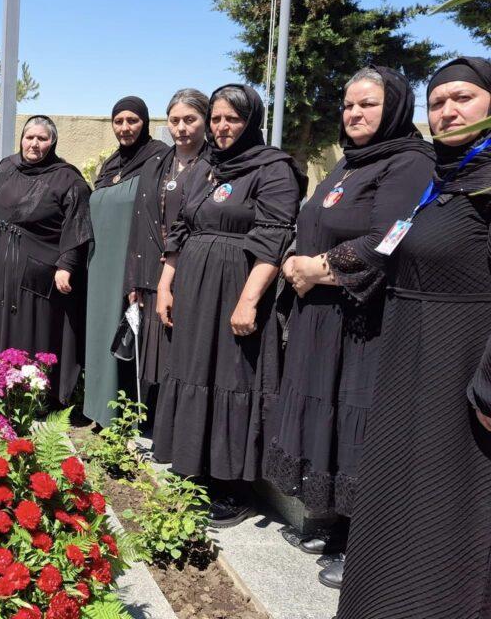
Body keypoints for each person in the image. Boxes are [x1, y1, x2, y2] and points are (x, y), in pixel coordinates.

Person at [264, 67, 434, 589]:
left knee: (360, 425)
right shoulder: (350, 162)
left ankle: (367, 549)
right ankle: (334, 527)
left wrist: (317, 268)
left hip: (365, 321)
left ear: (396, 107)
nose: (354, 114)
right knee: (330, 419)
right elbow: (316, 221)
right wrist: (295, 259)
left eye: (368, 105)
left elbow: (392, 238)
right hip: (322, 320)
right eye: (348, 105)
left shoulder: (410, 162)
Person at [338, 57, 491, 619]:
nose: (447, 111)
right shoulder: (443, 182)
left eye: (463, 97)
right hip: (410, 364)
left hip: (463, 369)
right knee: (402, 499)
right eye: (437, 102)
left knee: (449, 507)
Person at [153, 84, 306, 527]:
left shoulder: (273, 169)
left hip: (236, 287)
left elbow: (275, 238)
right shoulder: (208, 166)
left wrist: (248, 301)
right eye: (217, 118)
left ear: (251, 121)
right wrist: (166, 285)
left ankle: (233, 487)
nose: (222, 127)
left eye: (232, 119)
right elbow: (181, 228)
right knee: (195, 370)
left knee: (231, 377)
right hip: (195, 288)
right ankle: (197, 467)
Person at [0, 115, 93, 404]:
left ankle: (31, 401)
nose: (34, 144)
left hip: (34, 280)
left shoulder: (67, 179)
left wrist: (67, 265)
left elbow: (78, 226)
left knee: (27, 337)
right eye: (30, 137)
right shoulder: (7, 167)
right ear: (21, 139)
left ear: (53, 142)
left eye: (42, 138)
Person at [83, 96, 170, 426]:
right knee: (102, 333)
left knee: (132, 336)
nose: (124, 127)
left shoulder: (159, 159)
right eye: (118, 121)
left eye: (132, 120)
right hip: (101, 266)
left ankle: (130, 417)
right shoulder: (111, 164)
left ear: (145, 122)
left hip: (135, 263)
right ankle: (101, 411)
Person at [123, 88, 210, 406]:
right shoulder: (157, 164)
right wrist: (133, 279)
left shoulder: (216, 165)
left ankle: (183, 417)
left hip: (192, 273)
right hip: (151, 274)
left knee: (186, 353)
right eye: (174, 121)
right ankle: (156, 419)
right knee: (155, 357)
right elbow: (139, 223)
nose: (181, 128)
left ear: (205, 120)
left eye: (190, 119)